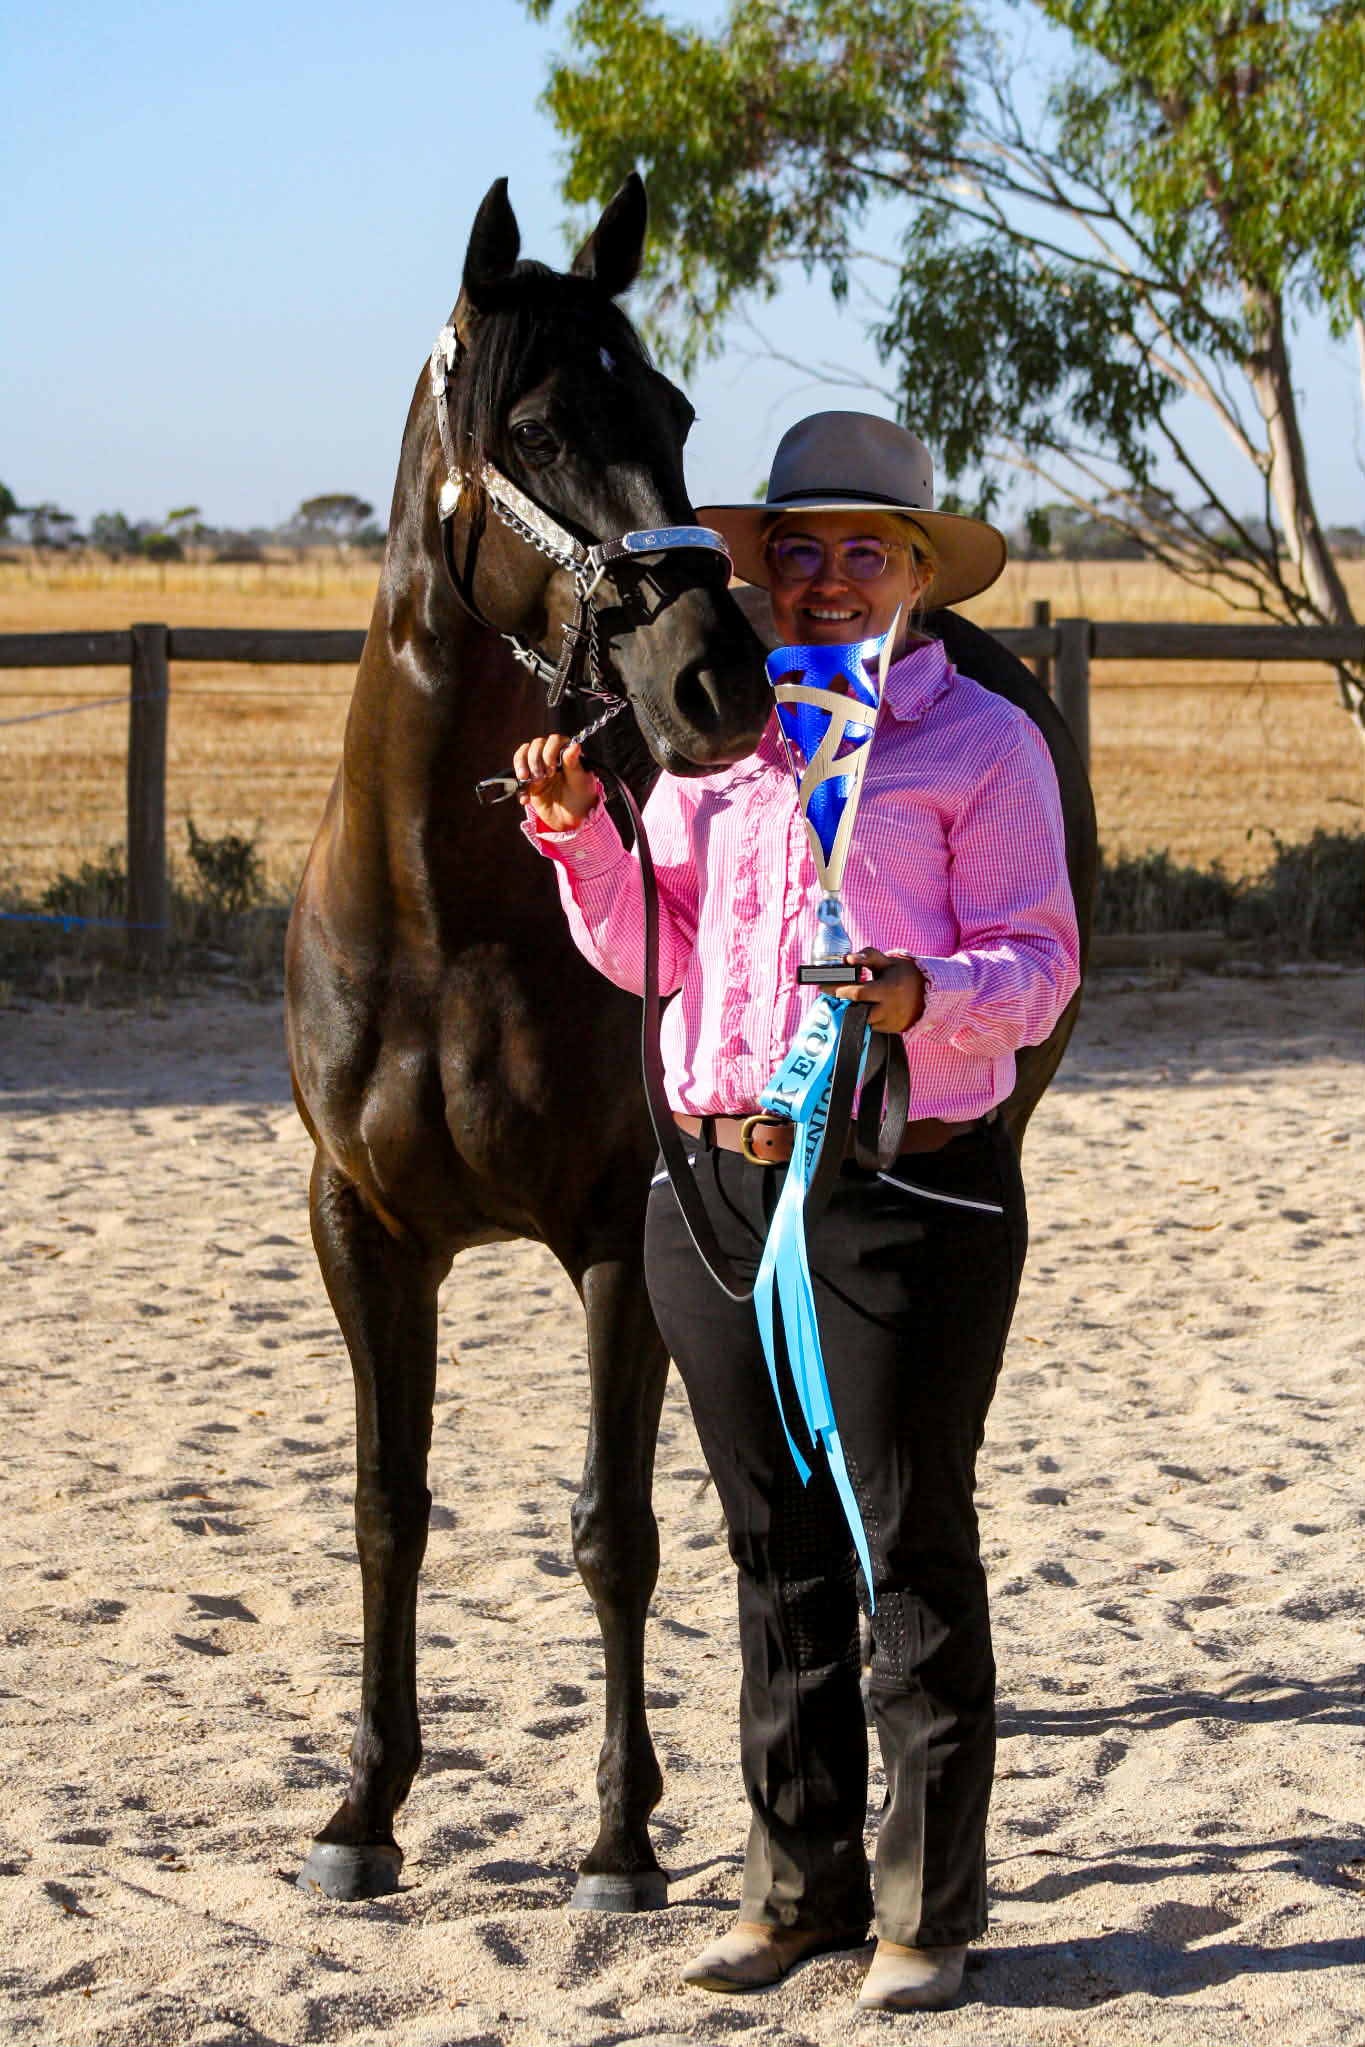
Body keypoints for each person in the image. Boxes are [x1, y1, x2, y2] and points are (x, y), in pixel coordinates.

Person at [513, 412, 1081, 2012]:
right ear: (765, 577)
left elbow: (1039, 971)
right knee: (770, 1555)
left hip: (899, 1184)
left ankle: (926, 1912)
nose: (829, 580)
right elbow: (652, 957)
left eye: (863, 554)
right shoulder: (713, 756)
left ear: (912, 574)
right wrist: (579, 843)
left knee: (905, 1540)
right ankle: (796, 1888)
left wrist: (922, 993)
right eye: (801, 555)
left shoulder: (978, 744)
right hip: (710, 1181)